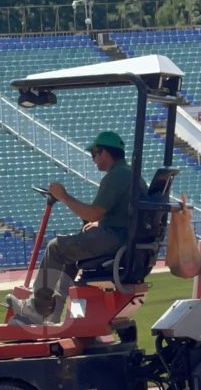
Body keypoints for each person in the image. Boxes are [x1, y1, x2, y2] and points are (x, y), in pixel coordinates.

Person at [8, 131, 145, 324]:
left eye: (94, 155)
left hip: (115, 239)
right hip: (122, 237)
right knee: (70, 254)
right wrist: (99, 223)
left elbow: (92, 213)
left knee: (56, 247)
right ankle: (52, 314)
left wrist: (63, 196)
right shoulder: (130, 174)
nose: (94, 160)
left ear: (104, 153)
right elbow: (119, 214)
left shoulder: (116, 176)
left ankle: (37, 309)